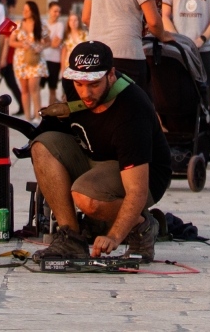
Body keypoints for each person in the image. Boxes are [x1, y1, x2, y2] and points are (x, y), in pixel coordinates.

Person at [30, 41, 171, 261]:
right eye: (79, 84)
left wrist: (114, 236)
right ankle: (71, 238)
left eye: (94, 84)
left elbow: (137, 190)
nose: (86, 92)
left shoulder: (131, 110)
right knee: (41, 146)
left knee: (86, 197)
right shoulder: (73, 85)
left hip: (143, 176)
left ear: (111, 75)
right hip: (94, 156)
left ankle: (143, 226)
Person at [12, 0, 45, 120]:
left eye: (27, 10)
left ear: (33, 11)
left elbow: (48, 41)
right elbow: (11, 41)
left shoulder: (39, 24)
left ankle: (38, 116)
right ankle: (28, 117)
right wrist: (21, 44)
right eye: (23, 10)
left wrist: (41, 47)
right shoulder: (18, 24)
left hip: (35, 59)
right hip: (21, 59)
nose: (24, 12)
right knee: (24, 89)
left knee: (34, 88)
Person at [41, 1, 66, 103]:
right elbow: (39, 40)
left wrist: (45, 43)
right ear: (49, 11)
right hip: (42, 59)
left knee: (52, 88)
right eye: (55, 11)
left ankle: (51, 110)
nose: (57, 14)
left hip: (54, 60)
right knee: (38, 86)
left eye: (59, 12)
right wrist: (48, 42)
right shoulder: (43, 23)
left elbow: (56, 43)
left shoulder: (60, 25)